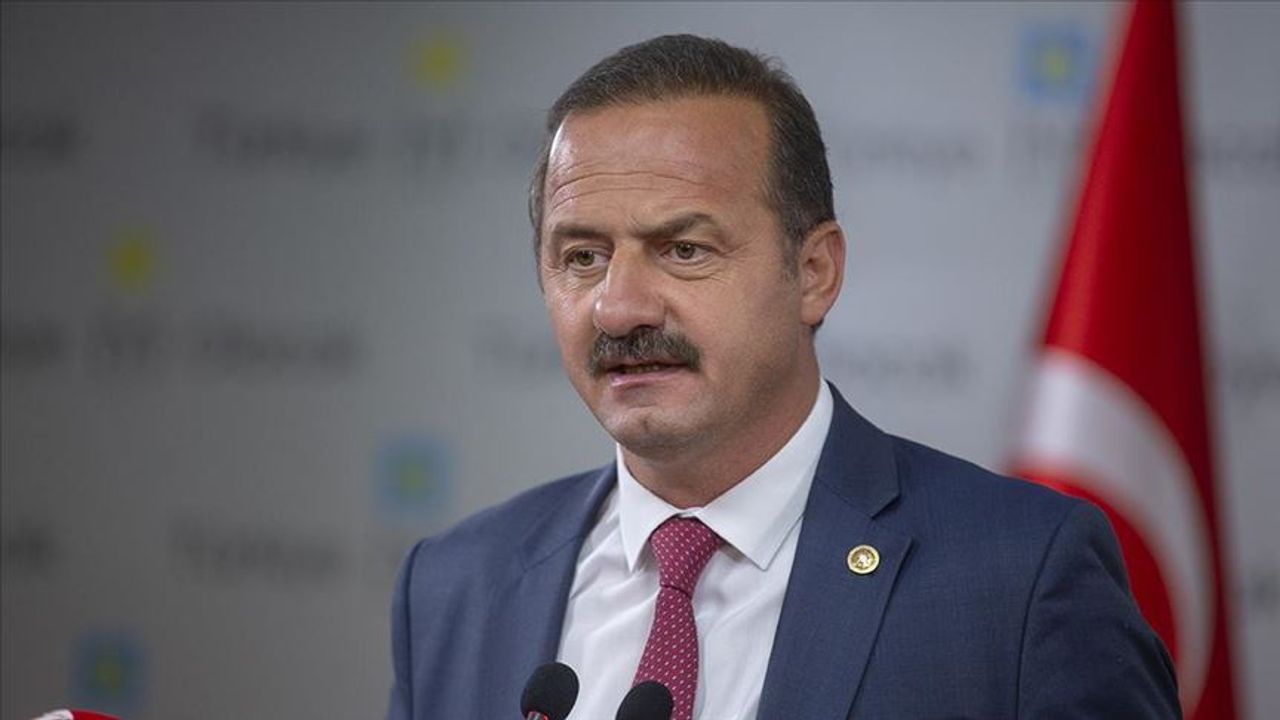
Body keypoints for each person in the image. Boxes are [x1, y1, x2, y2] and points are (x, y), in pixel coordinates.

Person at [386, 35, 1179, 720]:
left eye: (684, 250)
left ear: (813, 273)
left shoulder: (1019, 577)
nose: (618, 308)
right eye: (582, 257)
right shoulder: (453, 588)